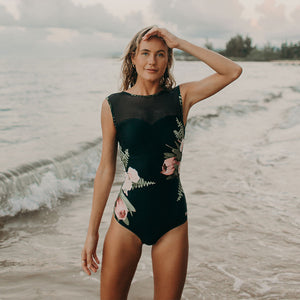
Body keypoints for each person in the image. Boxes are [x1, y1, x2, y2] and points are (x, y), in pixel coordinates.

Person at [81, 25, 242, 300]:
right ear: (133, 58)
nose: (152, 61)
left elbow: (232, 71)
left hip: (172, 220)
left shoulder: (182, 97)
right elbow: (106, 169)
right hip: (126, 218)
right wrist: (92, 232)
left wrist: (179, 42)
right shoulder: (113, 105)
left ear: (168, 59)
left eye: (160, 54)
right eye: (145, 53)